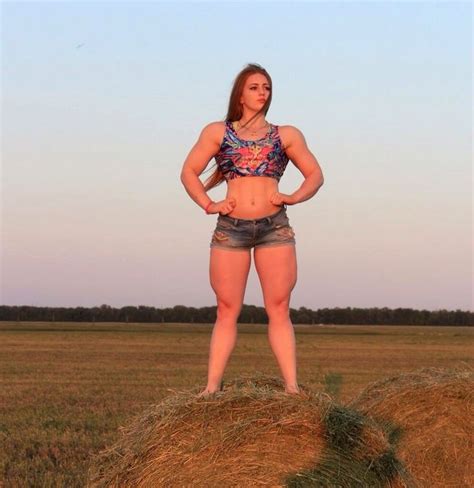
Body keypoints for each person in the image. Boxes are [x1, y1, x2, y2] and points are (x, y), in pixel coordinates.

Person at [180, 63, 324, 397]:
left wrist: (294, 197)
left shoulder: (286, 134)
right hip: (231, 228)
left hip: (275, 228)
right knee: (227, 309)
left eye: (267, 88)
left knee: (279, 307)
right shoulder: (218, 132)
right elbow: (188, 171)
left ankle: (291, 388)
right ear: (240, 95)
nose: (262, 93)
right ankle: (211, 388)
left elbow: (315, 174)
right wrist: (208, 203)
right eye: (255, 87)